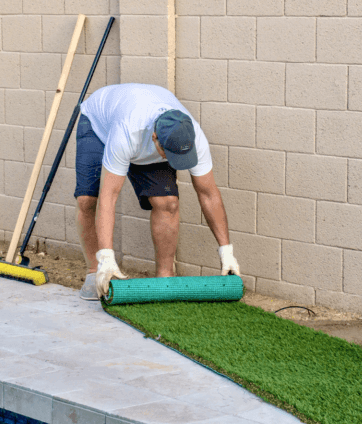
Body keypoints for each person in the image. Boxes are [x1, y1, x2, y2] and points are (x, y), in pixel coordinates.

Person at [74, 83, 240, 300]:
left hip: (142, 132)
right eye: (169, 154)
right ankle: (94, 271)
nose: (174, 162)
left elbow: (208, 193)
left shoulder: (192, 136)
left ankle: (165, 277)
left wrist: (226, 253)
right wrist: (106, 256)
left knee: (168, 202)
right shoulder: (127, 131)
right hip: (99, 125)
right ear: (155, 139)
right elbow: (110, 195)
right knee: (88, 199)